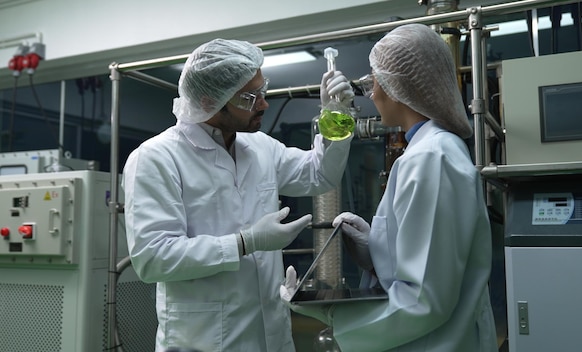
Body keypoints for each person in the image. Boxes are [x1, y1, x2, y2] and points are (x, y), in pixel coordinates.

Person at [122, 38, 355, 352]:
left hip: (272, 335)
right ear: (208, 101)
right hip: (204, 341)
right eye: (249, 98)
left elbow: (319, 174)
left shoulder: (259, 147)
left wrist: (336, 118)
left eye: (262, 91)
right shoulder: (157, 158)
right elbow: (153, 259)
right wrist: (245, 243)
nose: (263, 104)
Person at [281, 23, 498, 351]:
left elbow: (422, 300)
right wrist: (376, 252)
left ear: (399, 86)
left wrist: (327, 311)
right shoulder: (427, 152)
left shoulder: (431, 158)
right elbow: (430, 261)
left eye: (373, 81)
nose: (372, 93)